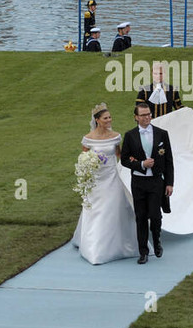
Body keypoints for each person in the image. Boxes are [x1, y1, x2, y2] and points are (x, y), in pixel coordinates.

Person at [73, 103, 139, 265]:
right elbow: (83, 158)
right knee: (97, 210)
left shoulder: (115, 136)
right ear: (97, 120)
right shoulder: (88, 139)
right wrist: (89, 165)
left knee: (115, 207)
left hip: (112, 177)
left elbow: (119, 155)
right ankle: (95, 249)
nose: (109, 120)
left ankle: (121, 245)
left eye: (110, 117)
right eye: (106, 118)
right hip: (96, 180)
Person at [120, 103, 174, 263]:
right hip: (138, 182)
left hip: (156, 181)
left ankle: (157, 240)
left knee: (155, 216)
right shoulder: (130, 135)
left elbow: (169, 160)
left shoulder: (161, 134)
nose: (147, 117)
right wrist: (141, 164)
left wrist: (170, 182)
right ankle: (143, 251)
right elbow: (124, 159)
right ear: (136, 117)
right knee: (141, 217)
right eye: (143, 115)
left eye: (149, 114)